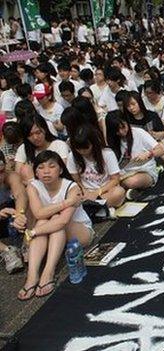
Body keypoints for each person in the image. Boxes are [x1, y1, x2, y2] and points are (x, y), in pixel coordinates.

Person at [18, 151, 93, 300]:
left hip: (79, 231)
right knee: (44, 220)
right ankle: (32, 276)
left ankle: (48, 272)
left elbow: (63, 221)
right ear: (36, 172)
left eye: (52, 166)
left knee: (56, 220)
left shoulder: (72, 187)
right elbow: (39, 213)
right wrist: (66, 202)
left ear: (60, 170)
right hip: (50, 230)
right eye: (41, 167)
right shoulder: (33, 186)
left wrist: (33, 232)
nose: (46, 171)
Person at [105, 112, 164, 200]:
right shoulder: (113, 140)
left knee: (132, 182)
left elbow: (161, 150)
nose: (122, 132)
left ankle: (128, 190)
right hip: (123, 174)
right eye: (117, 131)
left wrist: (149, 153)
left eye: (123, 127)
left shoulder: (138, 132)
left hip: (144, 170)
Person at [67, 125, 126, 210]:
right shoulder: (72, 156)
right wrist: (84, 191)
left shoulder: (107, 154)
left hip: (105, 190)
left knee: (118, 192)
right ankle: (99, 208)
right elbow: (76, 180)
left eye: (86, 148)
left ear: (93, 143)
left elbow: (115, 179)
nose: (82, 152)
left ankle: (93, 208)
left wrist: (97, 192)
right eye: (78, 149)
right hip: (85, 192)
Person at [15, 113, 69, 182]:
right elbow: (17, 175)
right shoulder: (23, 148)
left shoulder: (59, 145)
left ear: (45, 129)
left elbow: (62, 171)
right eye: (30, 135)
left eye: (38, 132)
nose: (35, 137)